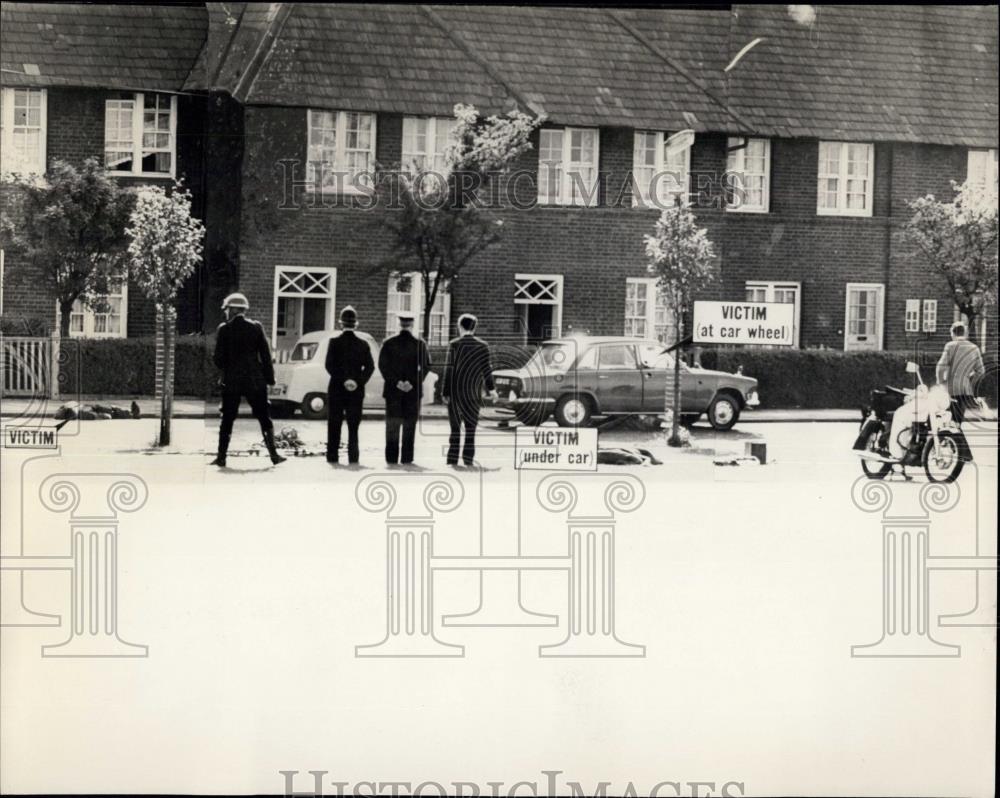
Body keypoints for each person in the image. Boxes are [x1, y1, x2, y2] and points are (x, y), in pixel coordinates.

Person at [211, 292, 286, 467]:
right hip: (255, 380)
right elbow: (266, 356)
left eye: (227, 309)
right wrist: (270, 379)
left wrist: (227, 368)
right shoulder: (256, 327)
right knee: (264, 417)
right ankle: (274, 455)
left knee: (227, 418)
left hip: (232, 381)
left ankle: (221, 457)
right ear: (243, 310)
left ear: (233, 309)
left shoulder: (224, 329)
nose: (226, 312)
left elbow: (218, 359)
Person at [442, 313, 497, 466]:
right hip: (473, 393)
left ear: (460, 326)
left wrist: (445, 392)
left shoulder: (454, 344)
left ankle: (452, 459)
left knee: (455, 428)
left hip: (455, 393)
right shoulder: (482, 346)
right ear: (475, 327)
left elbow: (449, 370)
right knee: (470, 428)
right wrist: (492, 390)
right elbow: (487, 370)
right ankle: (468, 459)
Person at [378, 313, 431, 465]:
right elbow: (426, 366)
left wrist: (396, 382)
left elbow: (382, 365)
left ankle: (391, 457)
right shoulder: (420, 344)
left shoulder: (388, 343)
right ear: (412, 325)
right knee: (409, 424)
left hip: (393, 391)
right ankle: (407, 457)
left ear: (399, 324)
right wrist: (412, 382)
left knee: (392, 424)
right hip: (412, 392)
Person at [325, 306, 374, 464]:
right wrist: (357, 382)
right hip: (356, 390)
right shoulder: (363, 344)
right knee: (353, 425)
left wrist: (343, 380)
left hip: (337, 388)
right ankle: (353, 457)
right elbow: (370, 367)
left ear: (341, 324)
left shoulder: (334, 342)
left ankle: (333, 456)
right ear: (356, 324)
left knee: (334, 423)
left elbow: (329, 365)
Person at [936, 321, 985, 425]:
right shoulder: (974, 348)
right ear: (965, 333)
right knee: (958, 420)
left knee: (943, 418)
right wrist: (968, 379)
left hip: (951, 388)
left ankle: (949, 439)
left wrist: (941, 383)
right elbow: (981, 371)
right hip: (965, 390)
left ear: (952, 333)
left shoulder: (950, 346)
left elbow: (940, 367)